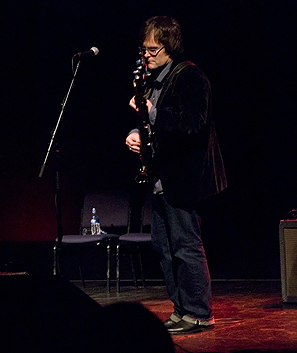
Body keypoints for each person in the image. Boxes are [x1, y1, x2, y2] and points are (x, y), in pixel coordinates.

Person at [126, 16, 227, 334]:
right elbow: (156, 127)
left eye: (152, 49)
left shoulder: (189, 76)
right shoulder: (154, 81)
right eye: (143, 49)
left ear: (169, 46)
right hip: (163, 178)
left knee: (185, 244)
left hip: (186, 178)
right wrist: (137, 133)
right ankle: (182, 309)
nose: (146, 55)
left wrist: (151, 113)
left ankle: (199, 312)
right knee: (162, 245)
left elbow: (193, 125)